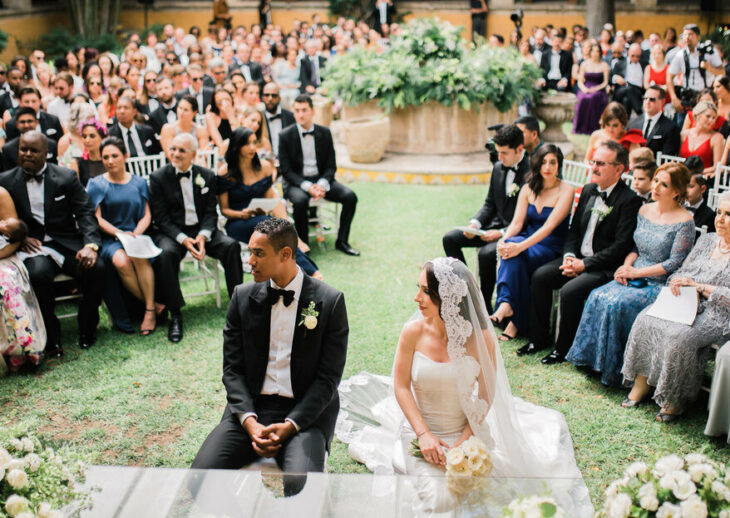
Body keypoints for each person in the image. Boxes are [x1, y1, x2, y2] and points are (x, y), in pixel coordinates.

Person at [336, 258, 592, 516]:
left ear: (448, 297)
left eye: (426, 291)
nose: (417, 298)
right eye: (419, 288)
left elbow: (486, 392)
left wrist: (465, 439)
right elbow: (401, 387)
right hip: (418, 432)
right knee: (438, 500)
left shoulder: (482, 340)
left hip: (464, 432)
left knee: (485, 495)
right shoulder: (412, 331)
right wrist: (423, 435)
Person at [190, 217, 348, 497]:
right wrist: (250, 422)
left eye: (258, 253)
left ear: (285, 254)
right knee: (199, 481)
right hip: (250, 409)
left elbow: (328, 379)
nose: (250, 261)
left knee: (300, 489)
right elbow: (233, 371)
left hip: (304, 415)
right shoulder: (241, 297)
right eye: (249, 252)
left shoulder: (330, 301)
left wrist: (290, 426)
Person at [566, 163, 695, 386]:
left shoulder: (685, 221)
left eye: (663, 184)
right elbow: (634, 247)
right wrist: (625, 268)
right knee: (599, 295)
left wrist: (637, 272)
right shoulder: (644, 209)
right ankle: (591, 361)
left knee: (617, 304)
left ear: (676, 191)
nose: (655, 187)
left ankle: (615, 370)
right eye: (655, 180)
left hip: (658, 282)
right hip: (633, 272)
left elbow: (675, 262)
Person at [523, 141, 643, 362]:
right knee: (540, 276)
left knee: (570, 291)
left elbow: (621, 247)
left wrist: (584, 265)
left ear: (619, 169)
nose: (594, 167)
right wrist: (569, 256)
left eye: (600, 163)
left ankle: (563, 348)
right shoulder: (588, 190)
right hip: (576, 259)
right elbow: (573, 230)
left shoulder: (630, 201)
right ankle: (538, 338)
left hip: (603, 267)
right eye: (593, 162)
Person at [621, 192, 730, 421]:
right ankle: (641, 384)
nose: (719, 219)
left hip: (718, 313)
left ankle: (674, 398)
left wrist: (700, 287)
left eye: (728, 214)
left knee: (680, 335)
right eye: (719, 212)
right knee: (645, 319)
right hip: (685, 301)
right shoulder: (707, 240)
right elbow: (682, 270)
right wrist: (677, 281)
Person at [0, 131, 104, 358]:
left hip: (66, 244)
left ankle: (87, 327)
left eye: (33, 150)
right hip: (32, 249)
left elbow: (85, 213)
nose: (26, 154)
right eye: (23, 149)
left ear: (46, 154)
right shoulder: (6, 180)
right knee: (37, 276)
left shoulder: (66, 177)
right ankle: (52, 338)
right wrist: (21, 236)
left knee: (97, 268)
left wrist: (90, 246)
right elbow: (7, 219)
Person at [149, 133, 243, 343]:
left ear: (193, 154)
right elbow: (161, 218)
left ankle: (239, 306)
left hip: (203, 230)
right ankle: (175, 314)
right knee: (165, 255)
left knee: (231, 246)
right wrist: (184, 239)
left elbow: (211, 211)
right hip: (173, 233)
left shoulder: (207, 175)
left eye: (182, 150)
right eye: (173, 149)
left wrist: (202, 236)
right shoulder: (158, 178)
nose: (175, 154)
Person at [442, 125, 530, 313]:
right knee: (450, 238)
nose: (499, 157)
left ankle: (484, 307)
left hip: (516, 232)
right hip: (491, 226)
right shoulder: (498, 168)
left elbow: (530, 217)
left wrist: (500, 233)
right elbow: (489, 204)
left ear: (520, 149)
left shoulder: (531, 172)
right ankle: (466, 292)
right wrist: (475, 223)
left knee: (486, 254)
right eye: (498, 152)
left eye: (504, 153)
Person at [491, 145, 573, 341]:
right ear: (537, 163)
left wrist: (519, 246)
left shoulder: (566, 190)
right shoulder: (528, 189)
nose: (548, 167)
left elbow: (549, 227)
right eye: (543, 162)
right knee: (510, 249)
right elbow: (517, 223)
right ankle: (511, 313)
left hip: (550, 245)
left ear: (559, 165)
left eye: (553, 162)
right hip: (527, 240)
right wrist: (503, 241)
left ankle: (507, 306)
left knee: (515, 252)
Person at [217, 127, 321, 279]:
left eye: (254, 142)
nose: (253, 147)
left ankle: (298, 275)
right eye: (247, 144)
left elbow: (270, 200)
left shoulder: (264, 167)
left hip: (261, 219)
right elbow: (224, 210)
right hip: (237, 223)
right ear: (237, 146)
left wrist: (263, 209)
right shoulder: (225, 172)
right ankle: (311, 272)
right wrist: (241, 214)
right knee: (273, 229)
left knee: (277, 233)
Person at [87, 137, 157, 335]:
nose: (110, 161)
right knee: (120, 261)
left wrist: (136, 233)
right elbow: (97, 218)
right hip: (111, 238)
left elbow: (147, 214)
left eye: (114, 156)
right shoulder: (96, 184)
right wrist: (119, 233)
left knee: (137, 255)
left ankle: (150, 311)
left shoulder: (139, 182)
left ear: (125, 156)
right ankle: (153, 304)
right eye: (105, 157)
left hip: (136, 235)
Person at [279, 94, 359, 256]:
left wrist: (321, 185)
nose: (300, 114)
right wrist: (308, 187)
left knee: (350, 196)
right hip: (296, 183)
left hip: (321, 179)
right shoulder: (285, 136)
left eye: (304, 110)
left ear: (312, 111)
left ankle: (342, 241)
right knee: (300, 201)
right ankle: (303, 247)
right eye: (297, 110)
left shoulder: (325, 133)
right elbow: (286, 171)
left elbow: (331, 166)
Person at [0, 189, 45, 373]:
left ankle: (18, 351)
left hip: (4, 256)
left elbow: (15, 238)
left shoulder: (1, 194)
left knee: (4, 283)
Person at [666, 24, 724, 126]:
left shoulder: (709, 52)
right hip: (688, 97)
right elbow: (669, 77)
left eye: (690, 34)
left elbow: (722, 72)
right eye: (685, 35)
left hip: (706, 96)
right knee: (683, 125)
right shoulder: (680, 54)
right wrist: (674, 98)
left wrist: (709, 67)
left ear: (697, 36)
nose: (687, 38)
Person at [626, 85, 681, 157]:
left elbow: (667, 156)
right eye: (645, 98)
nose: (647, 102)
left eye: (652, 99)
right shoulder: (632, 123)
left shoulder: (671, 128)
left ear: (663, 101)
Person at [573, 43, 609, 135]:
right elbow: (580, 81)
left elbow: (605, 83)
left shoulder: (604, 65)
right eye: (593, 51)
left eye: (597, 51)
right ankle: (580, 127)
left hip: (598, 89)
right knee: (583, 98)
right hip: (586, 87)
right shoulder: (584, 64)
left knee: (593, 98)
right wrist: (584, 88)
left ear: (600, 53)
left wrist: (596, 88)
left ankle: (593, 127)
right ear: (590, 52)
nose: (595, 53)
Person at [679, 100, 724, 175]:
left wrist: (694, 173)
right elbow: (679, 159)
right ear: (697, 115)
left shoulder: (717, 137)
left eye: (714, 118)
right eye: (708, 116)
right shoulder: (684, 134)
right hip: (682, 176)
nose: (711, 120)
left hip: (702, 178)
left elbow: (717, 166)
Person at [611, 44, 647, 117]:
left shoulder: (644, 64)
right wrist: (615, 78)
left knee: (626, 100)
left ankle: (625, 122)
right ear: (628, 52)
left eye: (638, 56)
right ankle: (639, 112)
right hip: (622, 89)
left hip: (637, 91)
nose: (635, 58)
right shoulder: (620, 63)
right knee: (629, 89)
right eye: (633, 56)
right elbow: (610, 78)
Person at [262, 82, 295, 158]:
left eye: (274, 95)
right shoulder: (259, 118)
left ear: (279, 98)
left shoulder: (291, 117)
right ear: (262, 97)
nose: (270, 98)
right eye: (267, 95)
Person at [70, 118, 106, 187]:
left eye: (92, 136)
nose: (87, 140)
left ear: (102, 138)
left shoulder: (110, 159)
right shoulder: (77, 163)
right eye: (84, 136)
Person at [205, 89, 238, 155]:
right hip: (219, 152)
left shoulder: (238, 115)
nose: (224, 103)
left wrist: (231, 116)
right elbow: (220, 144)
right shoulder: (211, 117)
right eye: (220, 101)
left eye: (227, 100)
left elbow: (239, 137)